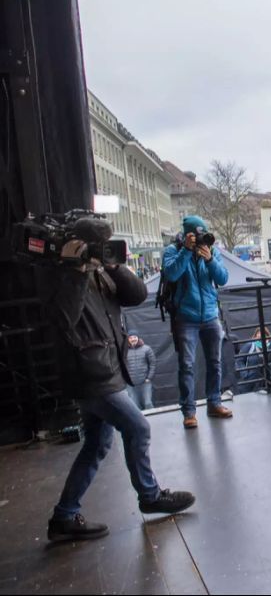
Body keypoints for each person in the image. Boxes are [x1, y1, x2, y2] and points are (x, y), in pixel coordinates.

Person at [45, 223, 194, 542]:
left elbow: (137, 295)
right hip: (90, 374)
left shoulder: (101, 270)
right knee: (138, 427)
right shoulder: (61, 272)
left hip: (107, 367)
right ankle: (150, 495)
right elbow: (63, 318)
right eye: (96, 243)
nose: (101, 248)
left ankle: (65, 515)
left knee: (97, 445)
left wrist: (114, 264)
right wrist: (75, 269)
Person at [162, 215, 231, 429]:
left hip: (210, 315)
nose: (201, 239)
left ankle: (214, 403)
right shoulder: (172, 251)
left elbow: (222, 278)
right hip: (186, 317)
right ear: (186, 235)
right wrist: (186, 251)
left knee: (215, 362)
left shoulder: (212, 251)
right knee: (187, 365)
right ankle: (189, 412)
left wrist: (209, 260)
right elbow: (172, 274)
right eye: (196, 234)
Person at [125, 331, 156, 410]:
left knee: (148, 404)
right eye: (131, 337)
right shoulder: (124, 351)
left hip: (145, 382)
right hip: (131, 384)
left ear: (138, 338)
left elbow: (153, 364)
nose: (133, 339)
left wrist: (149, 378)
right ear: (128, 339)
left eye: (134, 337)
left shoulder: (147, 348)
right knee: (134, 407)